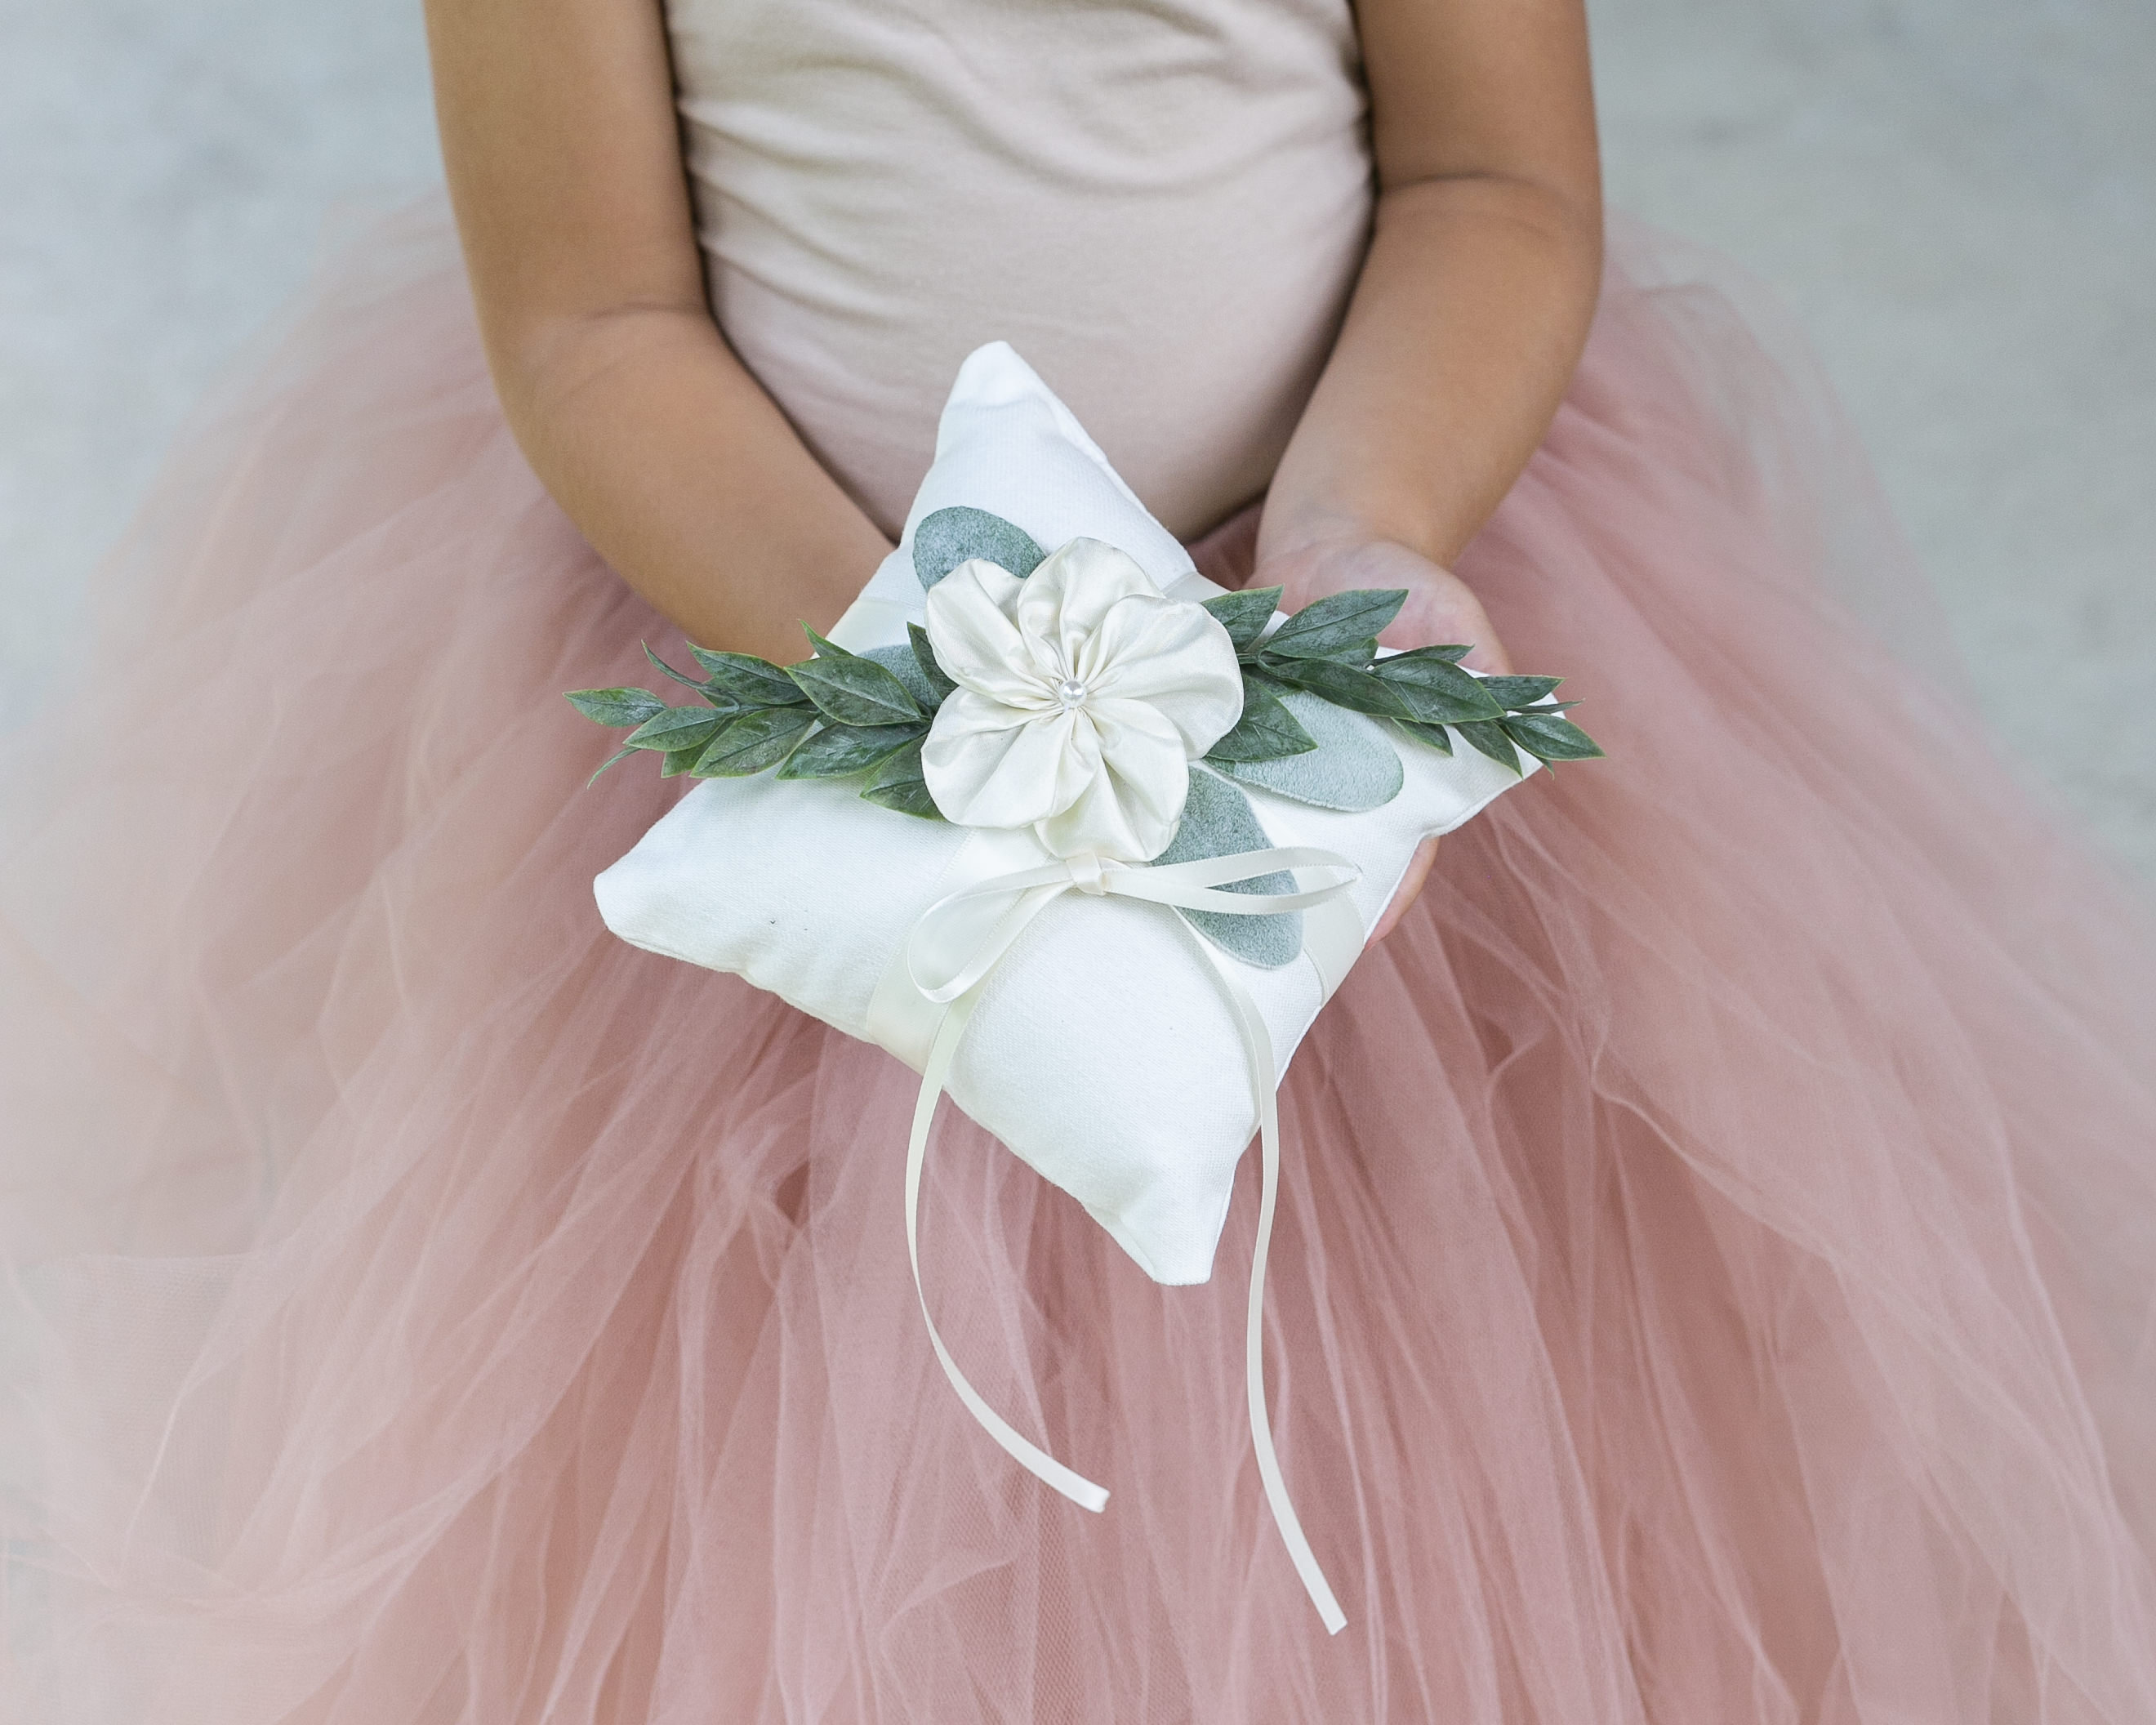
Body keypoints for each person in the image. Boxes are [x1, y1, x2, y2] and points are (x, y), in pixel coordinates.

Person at [2, 0, 2152, 1715]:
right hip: (797, 636)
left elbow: (1493, 173)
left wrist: (1360, 541)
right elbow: (592, 318)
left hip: (1335, 627)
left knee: (1444, 1375)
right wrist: (927, 702)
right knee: (785, 1426)